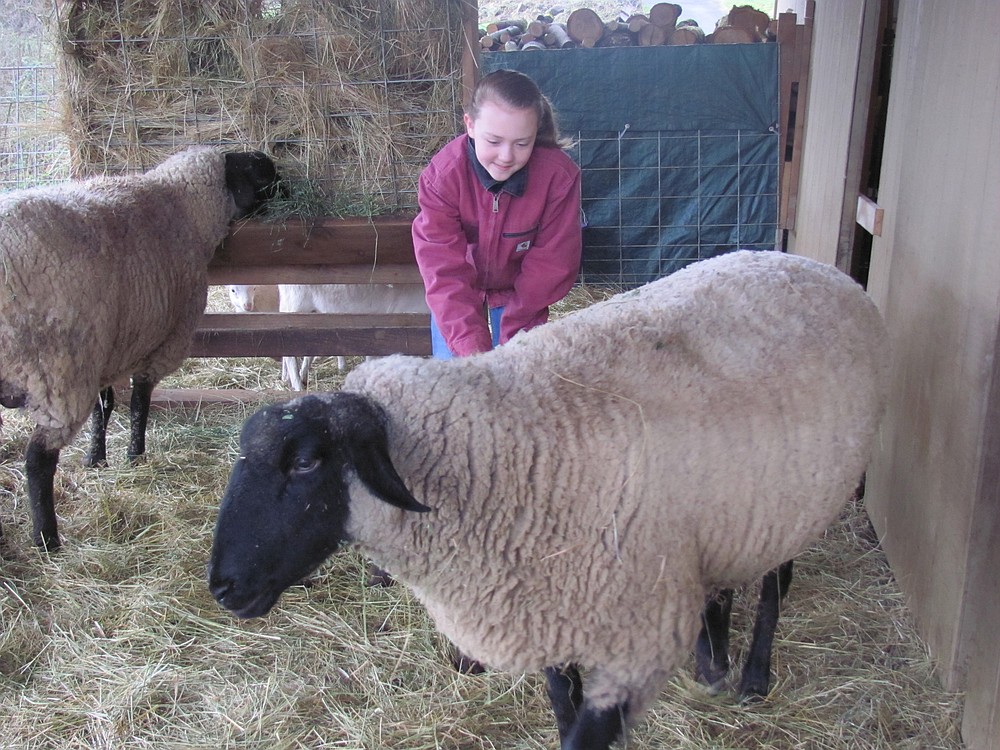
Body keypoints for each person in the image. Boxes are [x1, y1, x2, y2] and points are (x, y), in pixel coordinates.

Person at [412, 68, 583, 359]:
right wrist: (470, 349)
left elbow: (552, 263)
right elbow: (443, 268)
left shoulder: (558, 177)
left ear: (535, 134)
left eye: (521, 143)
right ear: (470, 125)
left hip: (521, 295)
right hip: (458, 296)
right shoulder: (443, 177)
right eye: (494, 141)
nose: (506, 156)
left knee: (519, 374)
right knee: (459, 378)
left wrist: (513, 340)